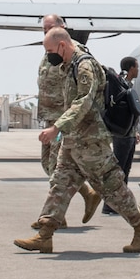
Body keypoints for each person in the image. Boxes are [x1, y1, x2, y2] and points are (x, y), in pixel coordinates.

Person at [16, 28, 140, 253]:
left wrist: (57, 127)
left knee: (112, 187)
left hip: (91, 141)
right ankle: (45, 234)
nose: (48, 55)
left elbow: (84, 101)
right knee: (59, 184)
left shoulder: (84, 66)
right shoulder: (68, 64)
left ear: (62, 45)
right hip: (73, 140)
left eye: (50, 50)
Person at [35, 13, 99, 224]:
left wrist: (64, 121)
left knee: (58, 168)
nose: (46, 32)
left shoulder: (73, 51)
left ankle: (53, 218)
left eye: (50, 27)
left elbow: (81, 90)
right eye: (44, 29)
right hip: (50, 116)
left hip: (63, 120)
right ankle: (88, 194)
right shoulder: (49, 53)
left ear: (63, 27)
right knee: (48, 165)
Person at [102, 56, 140, 216]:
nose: (138, 70)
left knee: (125, 170)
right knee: (119, 170)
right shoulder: (122, 84)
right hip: (122, 135)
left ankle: (119, 204)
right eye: (137, 67)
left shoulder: (126, 84)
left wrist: (135, 131)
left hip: (129, 134)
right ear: (131, 68)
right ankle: (109, 206)